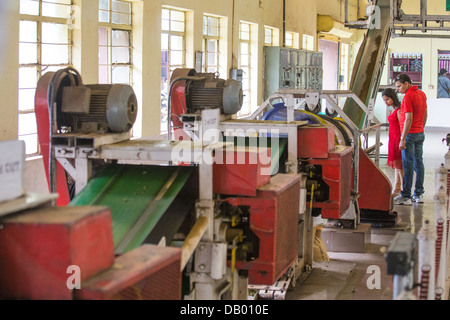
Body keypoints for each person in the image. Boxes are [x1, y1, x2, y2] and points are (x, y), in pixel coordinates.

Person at [394, 74, 428, 205]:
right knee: (418, 163)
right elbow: (425, 113)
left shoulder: (408, 96)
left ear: (407, 83)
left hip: (409, 135)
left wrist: (403, 138)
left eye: (399, 86)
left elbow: (408, 118)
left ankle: (406, 196)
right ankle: (418, 194)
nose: (398, 89)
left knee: (408, 165)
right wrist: (421, 127)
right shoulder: (421, 93)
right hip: (419, 133)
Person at [382, 88, 404, 197]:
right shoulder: (392, 110)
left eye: (387, 99)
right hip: (392, 139)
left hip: (397, 140)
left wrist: (402, 140)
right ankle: (397, 188)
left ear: (393, 98)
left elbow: (401, 126)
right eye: (384, 100)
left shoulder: (399, 110)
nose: (386, 102)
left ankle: (403, 190)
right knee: (397, 166)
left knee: (399, 166)